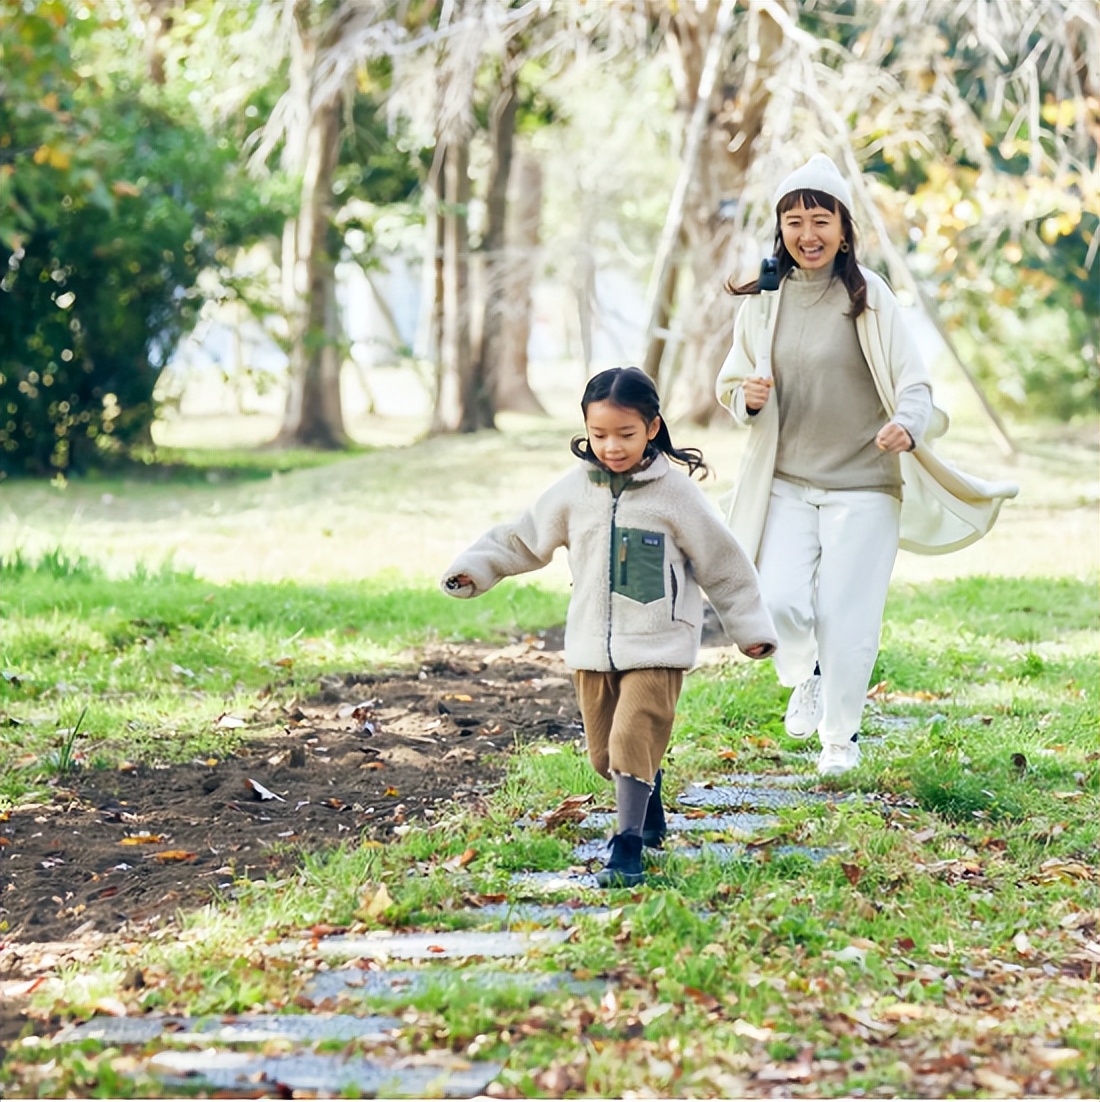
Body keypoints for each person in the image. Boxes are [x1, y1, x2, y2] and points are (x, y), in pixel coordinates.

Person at [715, 153, 1018, 778]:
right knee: (779, 604)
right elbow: (732, 382)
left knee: (846, 617)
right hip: (785, 484)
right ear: (781, 229)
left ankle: (839, 740)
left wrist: (907, 424)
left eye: (821, 219)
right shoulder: (764, 300)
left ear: (844, 229)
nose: (808, 234)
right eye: (795, 221)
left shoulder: (868, 295)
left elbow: (914, 383)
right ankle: (806, 674)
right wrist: (746, 398)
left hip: (864, 485)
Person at [442, 367, 777, 888]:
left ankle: (625, 848)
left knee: (629, 740)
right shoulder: (575, 490)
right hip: (592, 647)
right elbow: (523, 538)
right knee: (604, 756)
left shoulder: (676, 494)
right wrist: (474, 568)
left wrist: (749, 626)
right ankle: (649, 792)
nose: (612, 447)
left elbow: (723, 563)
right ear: (585, 429)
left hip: (659, 643)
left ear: (652, 427)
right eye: (599, 435)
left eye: (625, 434)